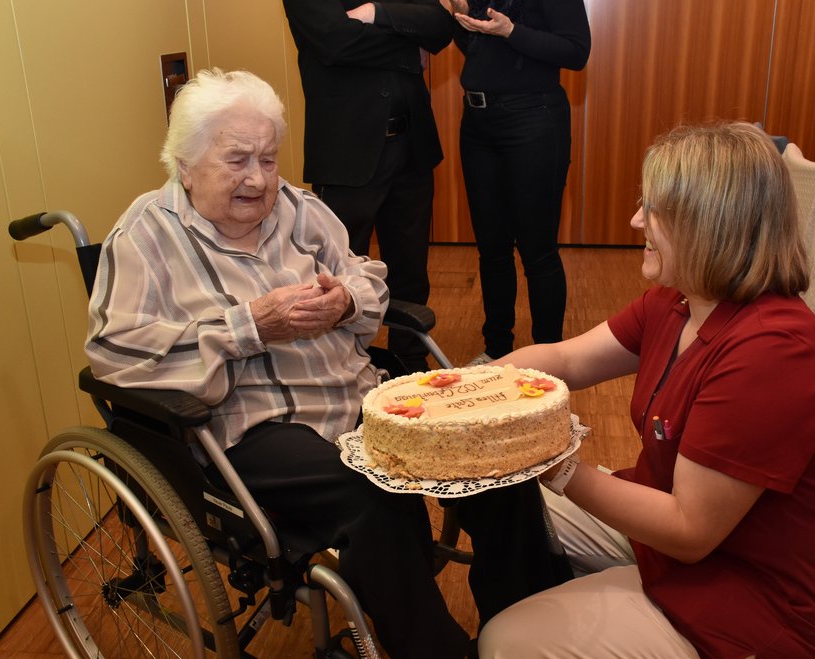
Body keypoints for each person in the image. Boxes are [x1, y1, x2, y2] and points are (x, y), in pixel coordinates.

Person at [85, 68, 567, 659]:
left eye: (268, 158)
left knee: (489, 456)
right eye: (237, 160)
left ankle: (536, 629)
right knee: (375, 498)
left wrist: (345, 301)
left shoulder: (299, 209)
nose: (258, 179)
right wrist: (246, 328)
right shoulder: (143, 237)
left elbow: (365, 274)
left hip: (360, 400)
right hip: (252, 431)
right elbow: (113, 354)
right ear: (183, 163)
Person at [476, 122, 815, 658]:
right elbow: (565, 359)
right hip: (677, 538)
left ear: (710, 224)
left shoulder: (775, 351)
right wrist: (471, 390)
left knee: (505, 642)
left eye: (653, 209)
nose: (636, 220)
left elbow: (688, 530)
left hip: (758, 594)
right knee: (490, 492)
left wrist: (555, 464)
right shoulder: (680, 300)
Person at [280, 0, 456, 374]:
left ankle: (411, 363)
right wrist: (409, 47)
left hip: (411, 148)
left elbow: (441, 26)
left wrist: (376, 13)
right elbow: (335, 41)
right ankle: (342, 365)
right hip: (347, 153)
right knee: (337, 271)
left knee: (410, 269)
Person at [441, 0, 590, 365]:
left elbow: (576, 51)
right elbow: (483, 50)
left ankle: (548, 358)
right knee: (491, 248)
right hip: (477, 122)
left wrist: (511, 30)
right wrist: (461, 15)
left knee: (537, 250)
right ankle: (496, 349)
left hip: (534, 120)